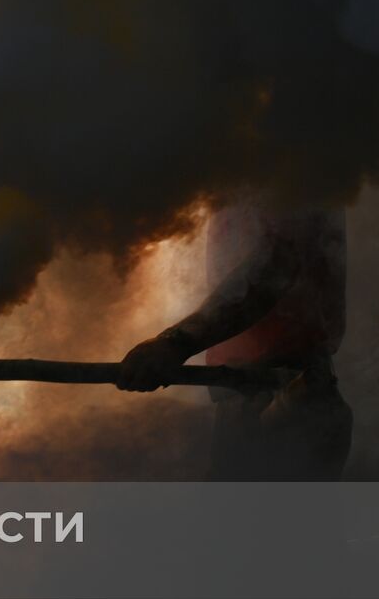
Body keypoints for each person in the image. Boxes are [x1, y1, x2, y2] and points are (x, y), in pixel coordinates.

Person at [117, 200, 350, 480]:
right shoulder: (241, 175)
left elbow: (275, 271)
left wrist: (174, 343)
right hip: (248, 396)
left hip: (287, 399)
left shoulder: (291, 167)